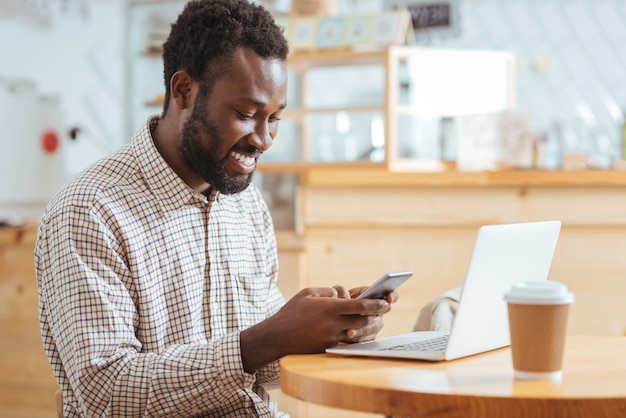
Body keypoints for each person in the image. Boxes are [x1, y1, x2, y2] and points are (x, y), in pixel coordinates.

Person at [35, 0, 397, 416]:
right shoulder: (89, 210)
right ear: (184, 90)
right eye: (246, 113)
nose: (263, 140)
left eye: (274, 118)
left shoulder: (245, 207)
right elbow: (107, 392)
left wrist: (327, 331)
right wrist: (267, 339)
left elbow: (262, 371)